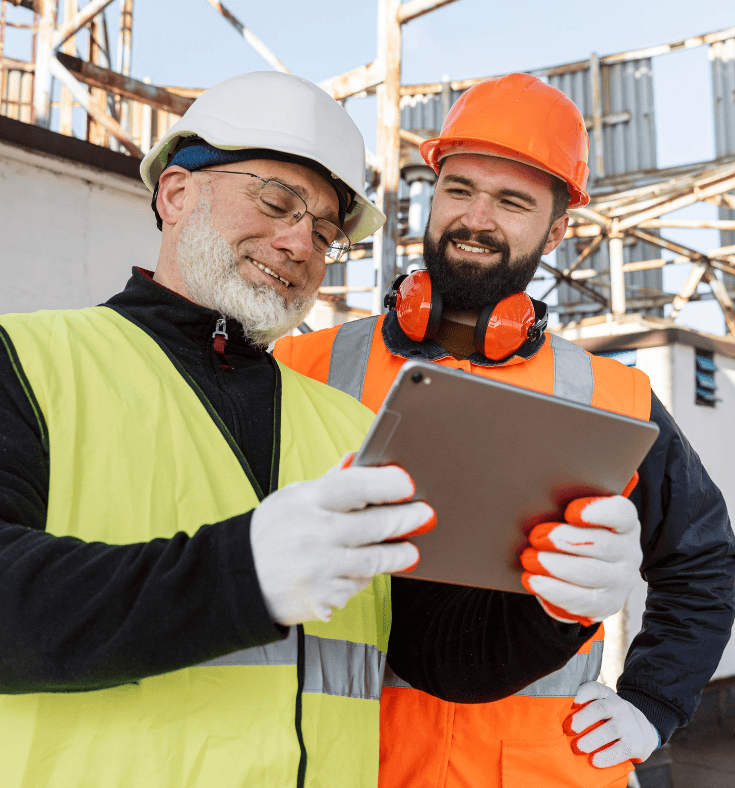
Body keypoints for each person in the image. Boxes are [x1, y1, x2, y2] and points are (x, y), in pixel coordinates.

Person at [0, 72, 638, 788]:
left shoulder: (344, 422)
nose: (300, 241)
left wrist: (553, 604)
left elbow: (437, 653)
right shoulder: (25, 361)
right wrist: (240, 576)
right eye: (277, 201)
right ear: (177, 194)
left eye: (327, 230)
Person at [274, 72, 735, 787]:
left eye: (513, 201)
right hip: (348, 764)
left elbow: (701, 561)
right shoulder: (306, 364)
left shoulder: (612, 394)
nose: (476, 217)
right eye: (458, 190)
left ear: (557, 229)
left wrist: (654, 701)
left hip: (538, 771)